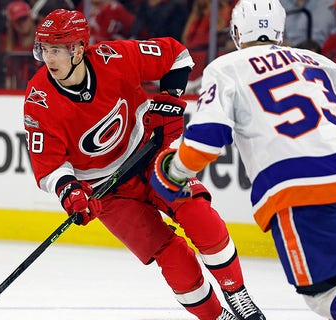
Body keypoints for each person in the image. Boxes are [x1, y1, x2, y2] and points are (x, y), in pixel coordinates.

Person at [151, 0, 336, 319]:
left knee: (324, 291)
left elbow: (206, 140)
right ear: (280, 30)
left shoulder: (227, 67)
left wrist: (174, 171)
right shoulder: (321, 62)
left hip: (299, 186)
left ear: (237, 32)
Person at [23, 9, 265, 320]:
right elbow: (48, 165)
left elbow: (177, 56)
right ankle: (218, 318)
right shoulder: (39, 100)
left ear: (79, 49)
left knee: (196, 211)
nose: (49, 59)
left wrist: (170, 98)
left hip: (149, 154)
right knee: (171, 254)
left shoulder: (114, 57)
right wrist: (70, 192)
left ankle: (237, 293)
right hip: (106, 192)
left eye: (56, 50)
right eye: (44, 50)